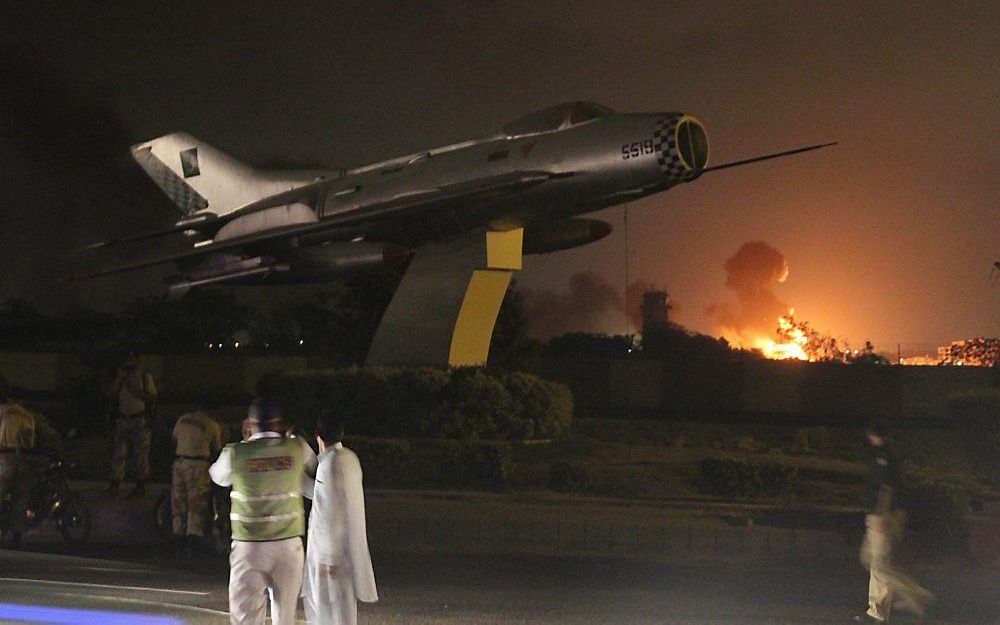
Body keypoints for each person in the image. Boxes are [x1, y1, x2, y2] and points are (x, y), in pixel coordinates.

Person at [210, 396, 317, 625]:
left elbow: (217, 477)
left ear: (249, 424)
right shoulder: (296, 447)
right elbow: (316, 467)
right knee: (285, 617)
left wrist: (245, 442)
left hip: (249, 547)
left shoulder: (236, 453)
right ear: (279, 424)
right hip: (289, 546)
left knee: (246, 617)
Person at [301, 413, 377, 624]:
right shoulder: (350, 458)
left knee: (326, 613)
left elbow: (330, 513)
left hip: (330, 557)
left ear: (318, 437)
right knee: (344, 613)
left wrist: (328, 558)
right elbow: (322, 494)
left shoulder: (329, 465)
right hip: (347, 552)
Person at [857, 420, 933, 622]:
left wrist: (882, 513)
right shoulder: (884, 454)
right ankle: (877, 611)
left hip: (883, 515)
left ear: (874, 435)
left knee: (879, 565)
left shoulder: (884, 456)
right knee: (873, 563)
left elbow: (886, 488)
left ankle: (916, 595)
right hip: (878, 513)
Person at [171, 402, 223, 554]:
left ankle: (178, 537)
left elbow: (174, 440)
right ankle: (193, 539)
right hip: (199, 464)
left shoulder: (182, 419)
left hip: (180, 462)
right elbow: (217, 449)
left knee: (178, 500)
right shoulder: (212, 425)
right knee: (196, 502)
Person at [106, 352, 158, 498]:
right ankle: (115, 482)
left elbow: (151, 397)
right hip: (123, 418)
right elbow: (111, 394)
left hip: (139, 419)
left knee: (140, 454)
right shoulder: (120, 375)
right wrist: (119, 380)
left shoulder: (144, 376)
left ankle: (141, 484)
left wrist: (133, 388)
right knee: (118, 453)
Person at [0, 373, 36, 549]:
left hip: (4, 457)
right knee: (21, 498)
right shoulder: (26, 415)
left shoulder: (2, 411)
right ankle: (16, 534)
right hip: (23, 458)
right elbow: (30, 440)